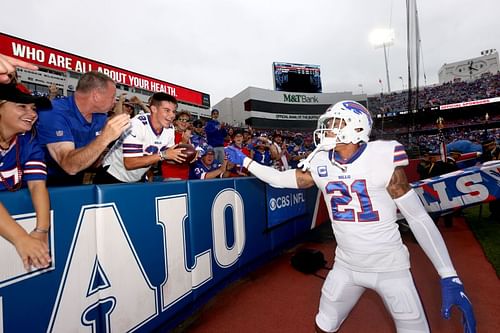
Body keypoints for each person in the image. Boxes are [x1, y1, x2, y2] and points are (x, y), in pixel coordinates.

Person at [225, 100, 475, 333]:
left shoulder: (381, 157)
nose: (326, 129)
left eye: (334, 123)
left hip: (391, 269)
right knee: (324, 324)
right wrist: (246, 162)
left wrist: (448, 274)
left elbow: (418, 218)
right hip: (346, 266)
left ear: (356, 127)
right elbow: (280, 179)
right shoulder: (321, 161)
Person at [36, 71, 130, 186]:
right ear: (96, 96)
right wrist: (105, 138)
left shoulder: (100, 116)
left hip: (75, 183)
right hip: (42, 186)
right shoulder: (54, 112)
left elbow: (93, 160)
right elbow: (69, 165)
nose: (115, 102)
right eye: (112, 97)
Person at [0, 83, 52, 270]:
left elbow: (37, 186)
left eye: (33, 108)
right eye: (22, 106)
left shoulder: (28, 140)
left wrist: (42, 230)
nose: (32, 114)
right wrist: (21, 238)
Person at [94, 93, 187, 184]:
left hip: (136, 178)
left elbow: (168, 156)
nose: (172, 115)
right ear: (154, 109)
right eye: (167, 110)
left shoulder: (169, 129)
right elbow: (129, 163)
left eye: (174, 111)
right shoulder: (136, 124)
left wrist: (184, 157)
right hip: (113, 174)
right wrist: (163, 155)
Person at [161, 110, 194, 181]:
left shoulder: (188, 137)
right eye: (181, 119)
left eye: (187, 120)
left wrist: (193, 156)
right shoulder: (169, 134)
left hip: (185, 175)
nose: (184, 122)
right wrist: (184, 142)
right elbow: (167, 158)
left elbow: (189, 158)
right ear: (175, 121)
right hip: (171, 175)